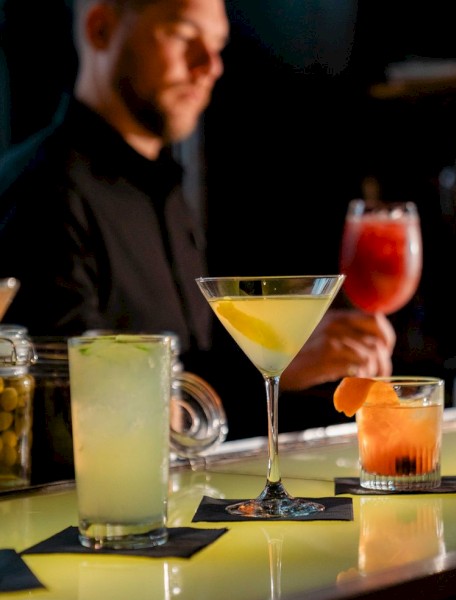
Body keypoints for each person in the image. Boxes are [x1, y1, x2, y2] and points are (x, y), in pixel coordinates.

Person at [0, 0, 395, 440]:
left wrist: (306, 363)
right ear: (101, 30)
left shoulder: (165, 189)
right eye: (185, 36)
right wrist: (270, 361)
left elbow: (192, 368)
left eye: (217, 45)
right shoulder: (42, 194)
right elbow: (79, 410)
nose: (210, 65)